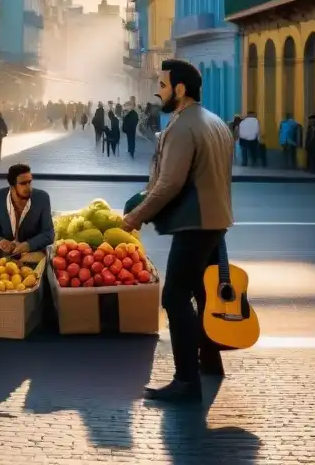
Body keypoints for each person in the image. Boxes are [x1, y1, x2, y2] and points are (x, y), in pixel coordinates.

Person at [122, 59, 234, 404]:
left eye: (163, 84)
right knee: (204, 295)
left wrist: (135, 217)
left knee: (174, 297)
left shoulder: (184, 125)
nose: (159, 90)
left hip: (194, 222)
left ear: (180, 89)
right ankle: (210, 363)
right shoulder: (213, 121)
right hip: (216, 220)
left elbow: (170, 183)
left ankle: (186, 382)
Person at [0, 163, 55, 257]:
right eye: (23, 183)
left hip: (31, 255)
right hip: (2, 258)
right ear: (12, 186)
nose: (29, 188)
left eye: (29, 182)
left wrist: (28, 245)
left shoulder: (42, 198)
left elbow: (49, 233)